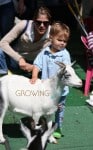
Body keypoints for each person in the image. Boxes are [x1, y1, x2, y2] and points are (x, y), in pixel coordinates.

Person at [30, 22, 71, 139]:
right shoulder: (45, 52)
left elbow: (67, 71)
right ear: (51, 38)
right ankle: (43, 125)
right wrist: (34, 76)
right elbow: (37, 65)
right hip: (46, 89)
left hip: (60, 91)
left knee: (59, 109)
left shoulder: (65, 55)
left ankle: (58, 125)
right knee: (44, 107)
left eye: (65, 41)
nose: (62, 43)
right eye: (60, 40)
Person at [0, 6, 51, 75]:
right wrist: (19, 59)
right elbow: (2, 43)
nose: (42, 25)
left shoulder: (52, 32)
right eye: (38, 22)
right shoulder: (24, 25)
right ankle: (4, 74)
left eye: (45, 23)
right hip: (16, 60)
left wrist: (34, 67)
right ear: (33, 20)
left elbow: (59, 51)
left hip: (36, 62)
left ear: (49, 22)